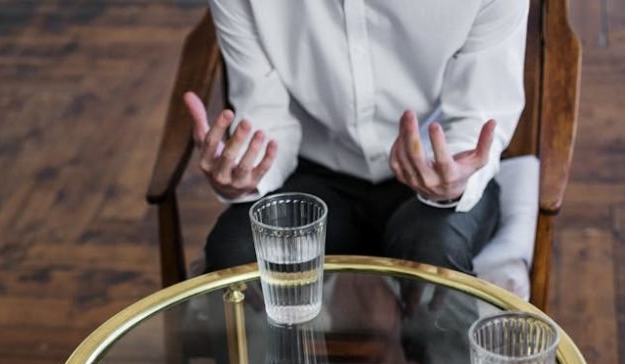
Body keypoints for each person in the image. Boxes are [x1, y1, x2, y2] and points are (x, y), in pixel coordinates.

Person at [184, 0, 529, 276]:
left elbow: (478, 114)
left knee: (435, 248)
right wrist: (245, 171)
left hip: (433, 167)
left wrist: (451, 175)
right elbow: (265, 113)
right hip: (313, 170)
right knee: (234, 251)